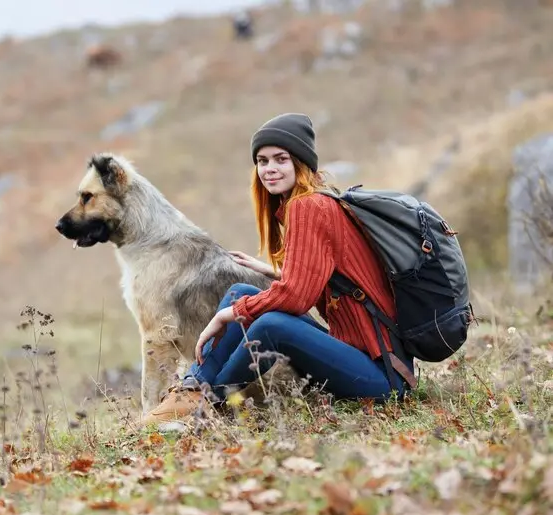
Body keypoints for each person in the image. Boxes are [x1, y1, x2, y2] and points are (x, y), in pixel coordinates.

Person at [141, 112, 415, 425]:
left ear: (301, 162)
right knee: (240, 291)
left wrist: (226, 314)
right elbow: (326, 280)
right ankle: (191, 391)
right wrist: (276, 274)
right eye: (262, 161)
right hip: (359, 357)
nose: (269, 169)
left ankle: (207, 404)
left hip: (382, 377)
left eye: (280, 159)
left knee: (270, 324)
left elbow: (296, 298)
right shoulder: (317, 202)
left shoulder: (308, 206)